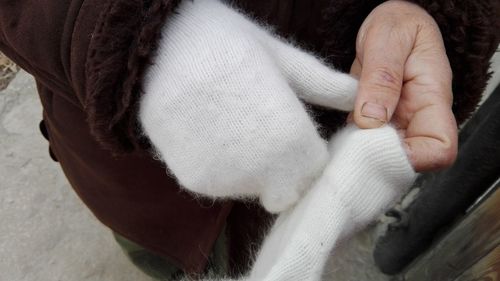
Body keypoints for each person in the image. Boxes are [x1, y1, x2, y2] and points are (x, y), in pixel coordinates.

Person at [0, 0, 498, 279]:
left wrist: (427, 10)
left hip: (339, 121)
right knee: (160, 257)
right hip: (134, 181)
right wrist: (120, 30)